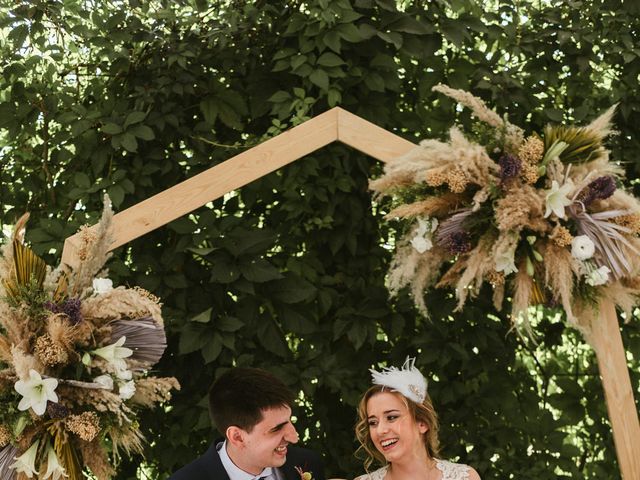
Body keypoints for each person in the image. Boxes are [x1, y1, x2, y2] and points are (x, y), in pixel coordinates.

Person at [170, 366, 325, 480]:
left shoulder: (308, 462)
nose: (293, 437)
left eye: (289, 420)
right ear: (237, 437)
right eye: (277, 428)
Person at [353, 358, 480, 480]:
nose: (380, 430)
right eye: (373, 423)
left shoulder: (465, 477)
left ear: (422, 423)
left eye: (391, 417)